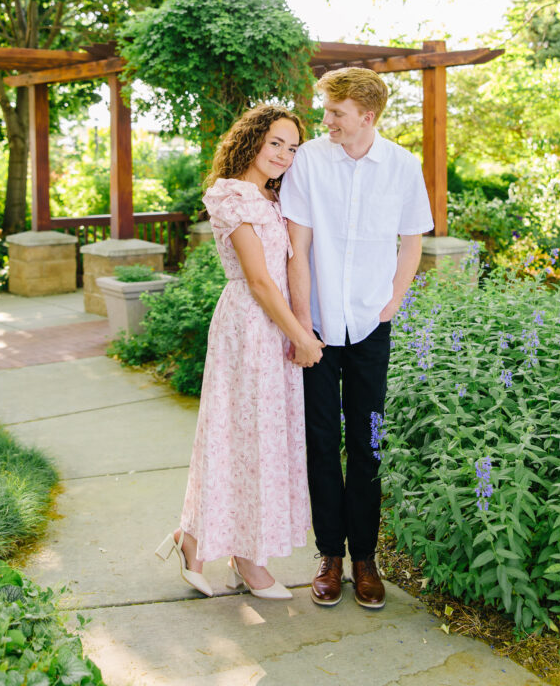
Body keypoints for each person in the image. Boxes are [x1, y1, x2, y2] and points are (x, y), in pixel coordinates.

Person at [280, 68, 434, 609]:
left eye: (336, 112)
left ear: (367, 116)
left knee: (368, 444)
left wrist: (392, 302)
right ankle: (330, 556)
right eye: (327, 110)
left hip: (371, 325)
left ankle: (365, 559)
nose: (326, 120)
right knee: (321, 442)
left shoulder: (402, 165)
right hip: (317, 326)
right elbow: (298, 247)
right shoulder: (308, 161)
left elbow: (412, 241)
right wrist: (303, 324)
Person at [156, 105, 323, 600]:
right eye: (276, 143)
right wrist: (302, 337)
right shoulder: (231, 195)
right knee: (242, 437)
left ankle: (215, 543)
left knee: (262, 441)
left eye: (292, 148)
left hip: (274, 326)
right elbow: (259, 281)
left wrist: (296, 329)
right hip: (249, 326)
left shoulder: (274, 198)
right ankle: (238, 556)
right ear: (252, 140)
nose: (284, 155)